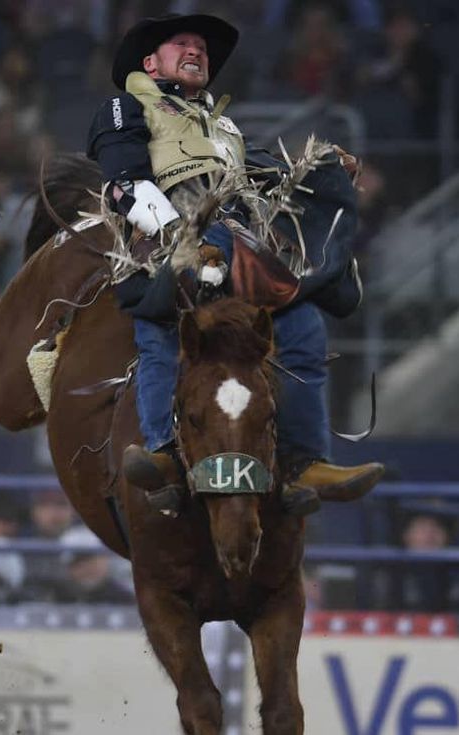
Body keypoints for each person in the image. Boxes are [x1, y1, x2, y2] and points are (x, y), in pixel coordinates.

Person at [86, 13, 383, 517]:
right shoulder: (126, 106)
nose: (196, 51)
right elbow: (123, 182)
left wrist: (321, 170)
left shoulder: (223, 127)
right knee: (162, 328)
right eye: (182, 43)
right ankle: (162, 452)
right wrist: (182, 239)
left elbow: (264, 174)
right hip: (169, 237)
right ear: (149, 63)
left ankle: (306, 461)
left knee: (302, 323)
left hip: (241, 245)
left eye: (201, 47)